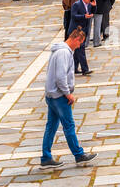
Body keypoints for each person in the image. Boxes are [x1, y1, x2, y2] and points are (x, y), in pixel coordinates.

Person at [40, 28, 95, 167]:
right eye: (80, 44)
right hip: (59, 96)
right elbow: (60, 77)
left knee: (51, 127)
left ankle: (46, 157)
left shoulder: (58, 51)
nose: (79, 47)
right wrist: (67, 93)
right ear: (76, 39)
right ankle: (78, 154)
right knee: (69, 125)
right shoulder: (64, 53)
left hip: (51, 95)